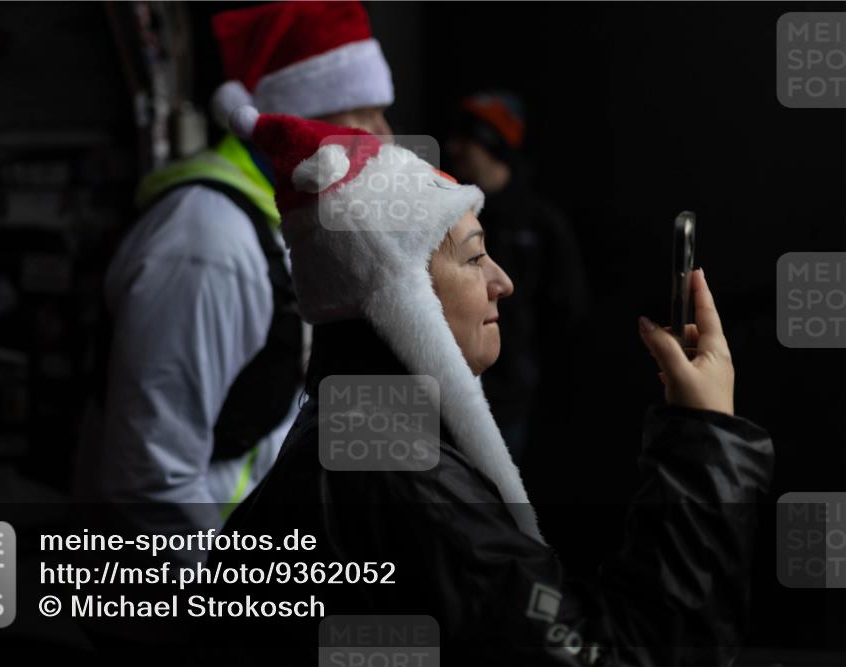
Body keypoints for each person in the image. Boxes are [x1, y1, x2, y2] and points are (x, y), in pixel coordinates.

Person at [191, 107, 774, 666]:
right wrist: (704, 437)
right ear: (401, 299)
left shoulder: (355, 435)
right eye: (473, 258)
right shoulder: (403, 481)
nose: (503, 281)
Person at [72, 1, 394, 544]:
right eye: (362, 114)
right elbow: (149, 481)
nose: (384, 138)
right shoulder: (207, 246)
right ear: (298, 124)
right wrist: (223, 603)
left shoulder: (282, 227)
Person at [446, 90, 590, 462]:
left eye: (467, 139)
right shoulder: (447, 212)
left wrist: (527, 361)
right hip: (453, 390)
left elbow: (567, 308)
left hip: (513, 395)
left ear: (490, 143)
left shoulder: (541, 222)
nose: (454, 147)